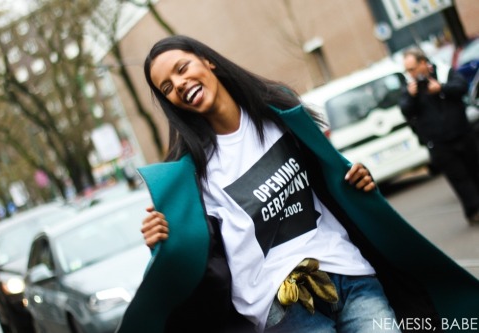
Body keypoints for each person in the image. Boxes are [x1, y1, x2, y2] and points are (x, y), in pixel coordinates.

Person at [117, 36, 479, 333]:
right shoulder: (191, 172)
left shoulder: (281, 114)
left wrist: (358, 180)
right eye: (167, 87)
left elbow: (331, 181)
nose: (179, 84)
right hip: (281, 309)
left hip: (349, 275)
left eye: (182, 68)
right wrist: (164, 241)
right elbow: (195, 254)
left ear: (207, 61)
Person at [399, 47, 479, 224]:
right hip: (438, 143)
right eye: (407, 70)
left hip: (462, 133)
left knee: (474, 170)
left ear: (422, 63)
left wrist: (442, 88)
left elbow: (462, 87)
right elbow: (405, 110)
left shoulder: (444, 72)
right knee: (458, 177)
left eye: (412, 69)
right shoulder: (409, 87)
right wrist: (412, 96)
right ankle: (473, 210)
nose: (410, 73)